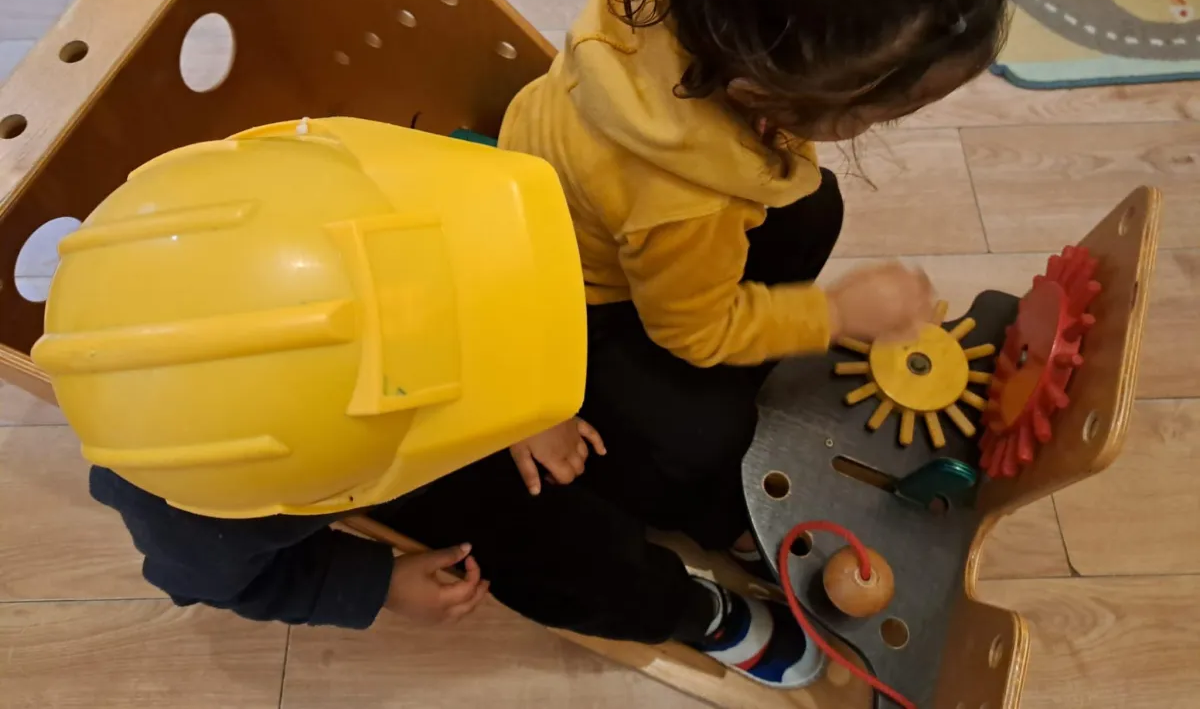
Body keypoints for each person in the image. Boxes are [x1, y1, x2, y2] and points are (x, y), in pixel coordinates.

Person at [41, 117, 823, 689]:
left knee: (652, 430)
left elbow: (469, 216)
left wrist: (524, 397)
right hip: (392, 460)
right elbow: (231, 581)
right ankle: (686, 609)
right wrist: (377, 584)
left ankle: (723, 510)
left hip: (448, 356)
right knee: (566, 555)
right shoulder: (197, 514)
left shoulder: (296, 199)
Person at [500, 0, 1007, 575]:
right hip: (568, 301)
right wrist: (831, 313)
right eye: (890, 108)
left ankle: (756, 340)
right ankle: (712, 516)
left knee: (812, 206)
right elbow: (692, 334)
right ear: (761, 89)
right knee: (700, 436)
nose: (890, 123)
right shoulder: (683, 201)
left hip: (569, 189)